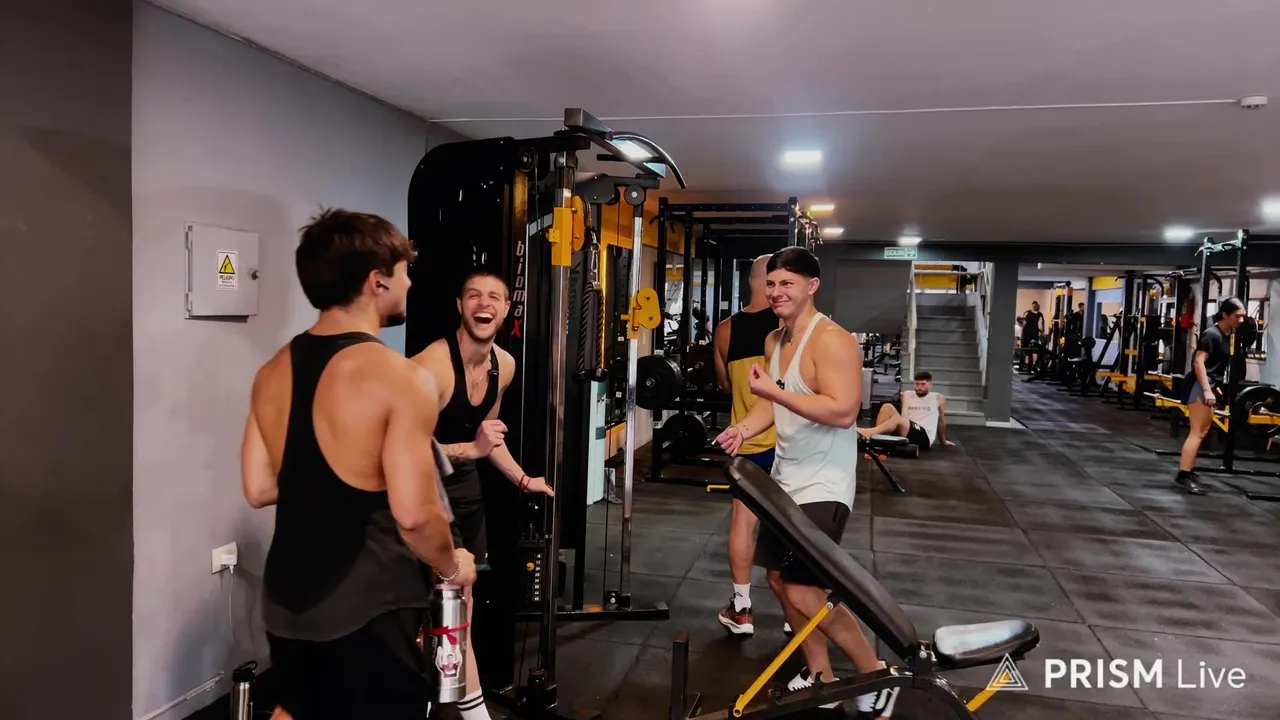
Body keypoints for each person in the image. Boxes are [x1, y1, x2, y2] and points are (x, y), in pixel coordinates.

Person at [242, 208, 474, 720]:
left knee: (298, 707)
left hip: (287, 600)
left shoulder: (271, 372)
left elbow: (258, 486)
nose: (410, 283)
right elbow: (415, 517)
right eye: (404, 271)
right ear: (377, 282)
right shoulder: (399, 378)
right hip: (368, 607)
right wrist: (452, 564)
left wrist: (337, 473)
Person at [713, 247, 898, 719]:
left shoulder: (833, 341)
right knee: (779, 581)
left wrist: (773, 392)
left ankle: (876, 675)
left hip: (825, 484)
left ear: (812, 286)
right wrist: (743, 429)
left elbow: (843, 411)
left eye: (787, 284)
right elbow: (770, 403)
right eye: (771, 283)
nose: (776, 292)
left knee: (803, 590)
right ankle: (821, 676)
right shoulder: (774, 340)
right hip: (787, 479)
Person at [411, 269, 554, 720]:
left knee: (461, 604)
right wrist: (471, 450)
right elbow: (405, 450)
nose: (483, 304)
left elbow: (488, 438)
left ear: (507, 309)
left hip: (465, 490)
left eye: (494, 297)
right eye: (473, 295)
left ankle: (456, 702)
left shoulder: (503, 366)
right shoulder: (432, 367)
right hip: (421, 488)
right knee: (435, 603)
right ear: (460, 305)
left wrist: (523, 480)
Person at [712, 255, 778, 636]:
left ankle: (742, 609)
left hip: (748, 440)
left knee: (743, 522)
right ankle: (796, 611)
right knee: (792, 529)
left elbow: (724, 384)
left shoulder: (725, 330)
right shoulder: (788, 328)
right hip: (786, 444)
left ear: (749, 280)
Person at [1174, 297, 1246, 495]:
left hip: (1209, 384)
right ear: (1225, 315)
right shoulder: (1212, 334)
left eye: (1243, 317)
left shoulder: (1225, 334)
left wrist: (1215, 388)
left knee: (1203, 431)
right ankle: (1183, 475)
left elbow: (1214, 366)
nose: (1241, 320)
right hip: (1199, 386)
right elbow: (1199, 362)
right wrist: (1206, 389)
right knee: (1197, 432)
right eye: (1237, 316)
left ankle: (1189, 472)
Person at [857, 371, 954, 452]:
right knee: (887, 407)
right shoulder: (906, 395)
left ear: (930, 385)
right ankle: (878, 440)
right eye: (917, 384)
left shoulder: (938, 398)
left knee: (897, 419)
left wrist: (943, 441)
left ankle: (869, 433)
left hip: (924, 435)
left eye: (923, 384)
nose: (919, 387)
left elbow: (941, 421)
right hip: (906, 430)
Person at [1020, 301, 1045, 370]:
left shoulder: (1039, 315)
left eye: (1036, 306)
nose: (1035, 307)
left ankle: (1029, 367)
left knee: (1030, 351)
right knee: (1025, 351)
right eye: (1034, 306)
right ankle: (1023, 366)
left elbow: (1041, 327)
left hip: (1033, 336)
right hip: (1027, 335)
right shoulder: (1028, 313)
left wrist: (1042, 334)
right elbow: (1023, 323)